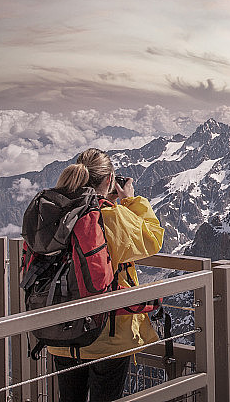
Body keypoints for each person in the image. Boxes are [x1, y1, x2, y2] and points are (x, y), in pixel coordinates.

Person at [46, 148, 164, 402]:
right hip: (106, 335)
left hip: (61, 329)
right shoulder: (111, 215)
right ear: (109, 180)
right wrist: (132, 200)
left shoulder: (55, 215)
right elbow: (153, 238)